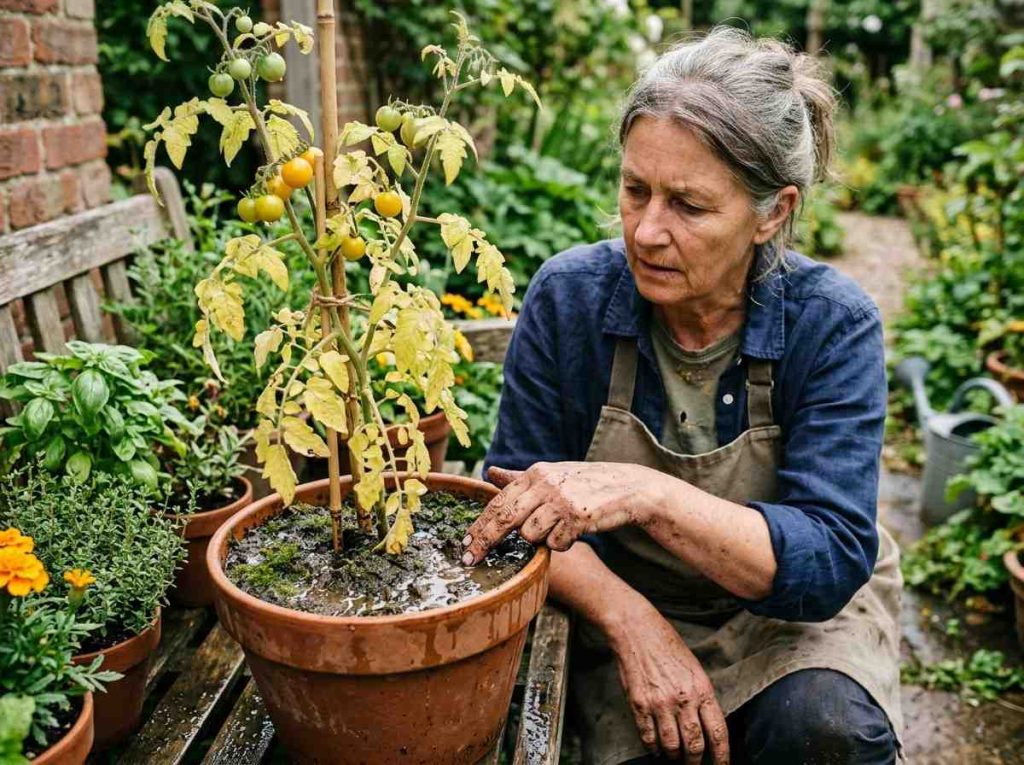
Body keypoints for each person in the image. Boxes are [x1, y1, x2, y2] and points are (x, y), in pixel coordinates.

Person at [461, 27, 903, 765]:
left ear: (773, 212)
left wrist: (649, 493)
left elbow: (828, 557)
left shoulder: (832, 324)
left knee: (823, 730)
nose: (646, 232)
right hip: (620, 597)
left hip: (787, 624)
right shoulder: (570, 300)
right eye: (635, 190)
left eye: (689, 206)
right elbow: (515, 510)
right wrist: (631, 620)